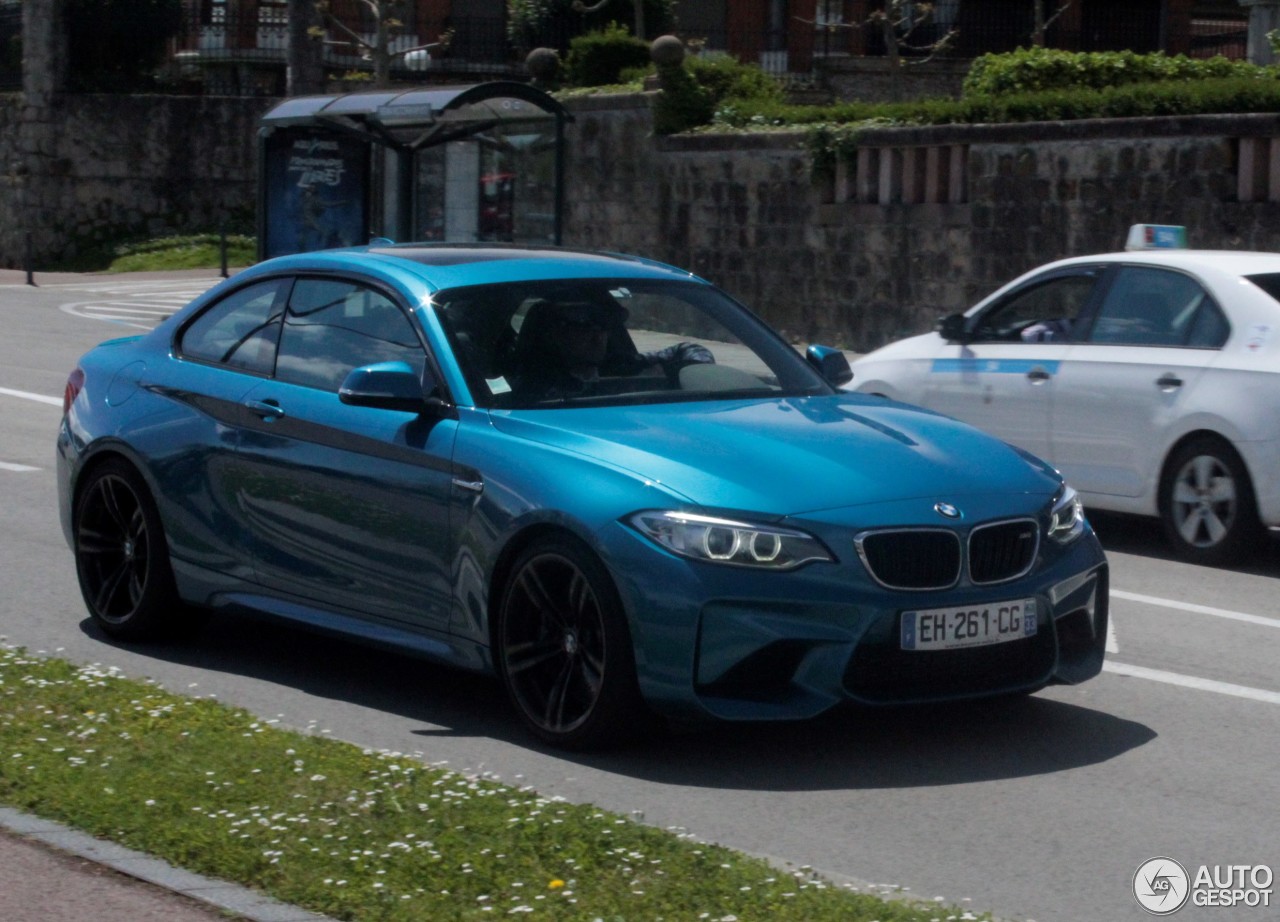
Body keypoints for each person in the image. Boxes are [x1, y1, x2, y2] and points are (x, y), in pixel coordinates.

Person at [510, 297, 712, 401]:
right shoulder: (532, 387)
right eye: (584, 326)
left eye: (604, 327)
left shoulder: (620, 365)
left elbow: (689, 350)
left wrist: (677, 371)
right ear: (555, 334)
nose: (598, 336)